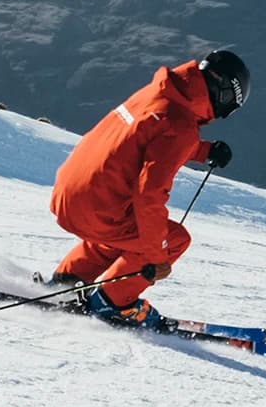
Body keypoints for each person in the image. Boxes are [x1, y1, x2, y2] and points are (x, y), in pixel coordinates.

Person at [47, 49, 250, 328]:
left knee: (121, 231)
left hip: (69, 194)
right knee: (174, 239)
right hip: (97, 209)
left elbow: (148, 138)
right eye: (230, 107)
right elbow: (149, 196)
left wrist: (204, 151)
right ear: (224, 93)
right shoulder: (181, 125)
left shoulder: (159, 93)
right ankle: (112, 303)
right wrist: (157, 257)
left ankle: (67, 281)